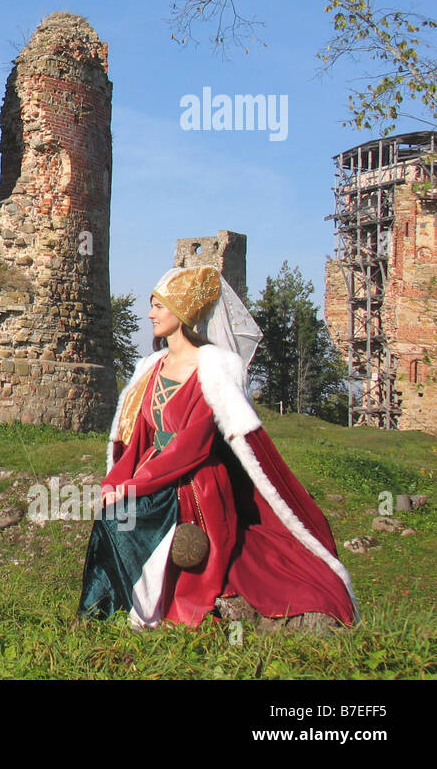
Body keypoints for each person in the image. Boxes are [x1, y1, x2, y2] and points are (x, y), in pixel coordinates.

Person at [78, 265, 358, 629]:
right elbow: (137, 440)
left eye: (158, 307)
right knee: (112, 517)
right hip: (151, 472)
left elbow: (192, 446)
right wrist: (116, 482)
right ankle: (106, 612)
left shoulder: (213, 369)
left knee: (126, 521)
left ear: (181, 313)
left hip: (193, 483)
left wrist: (136, 486)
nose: (150, 315)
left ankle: (145, 610)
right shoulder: (150, 368)